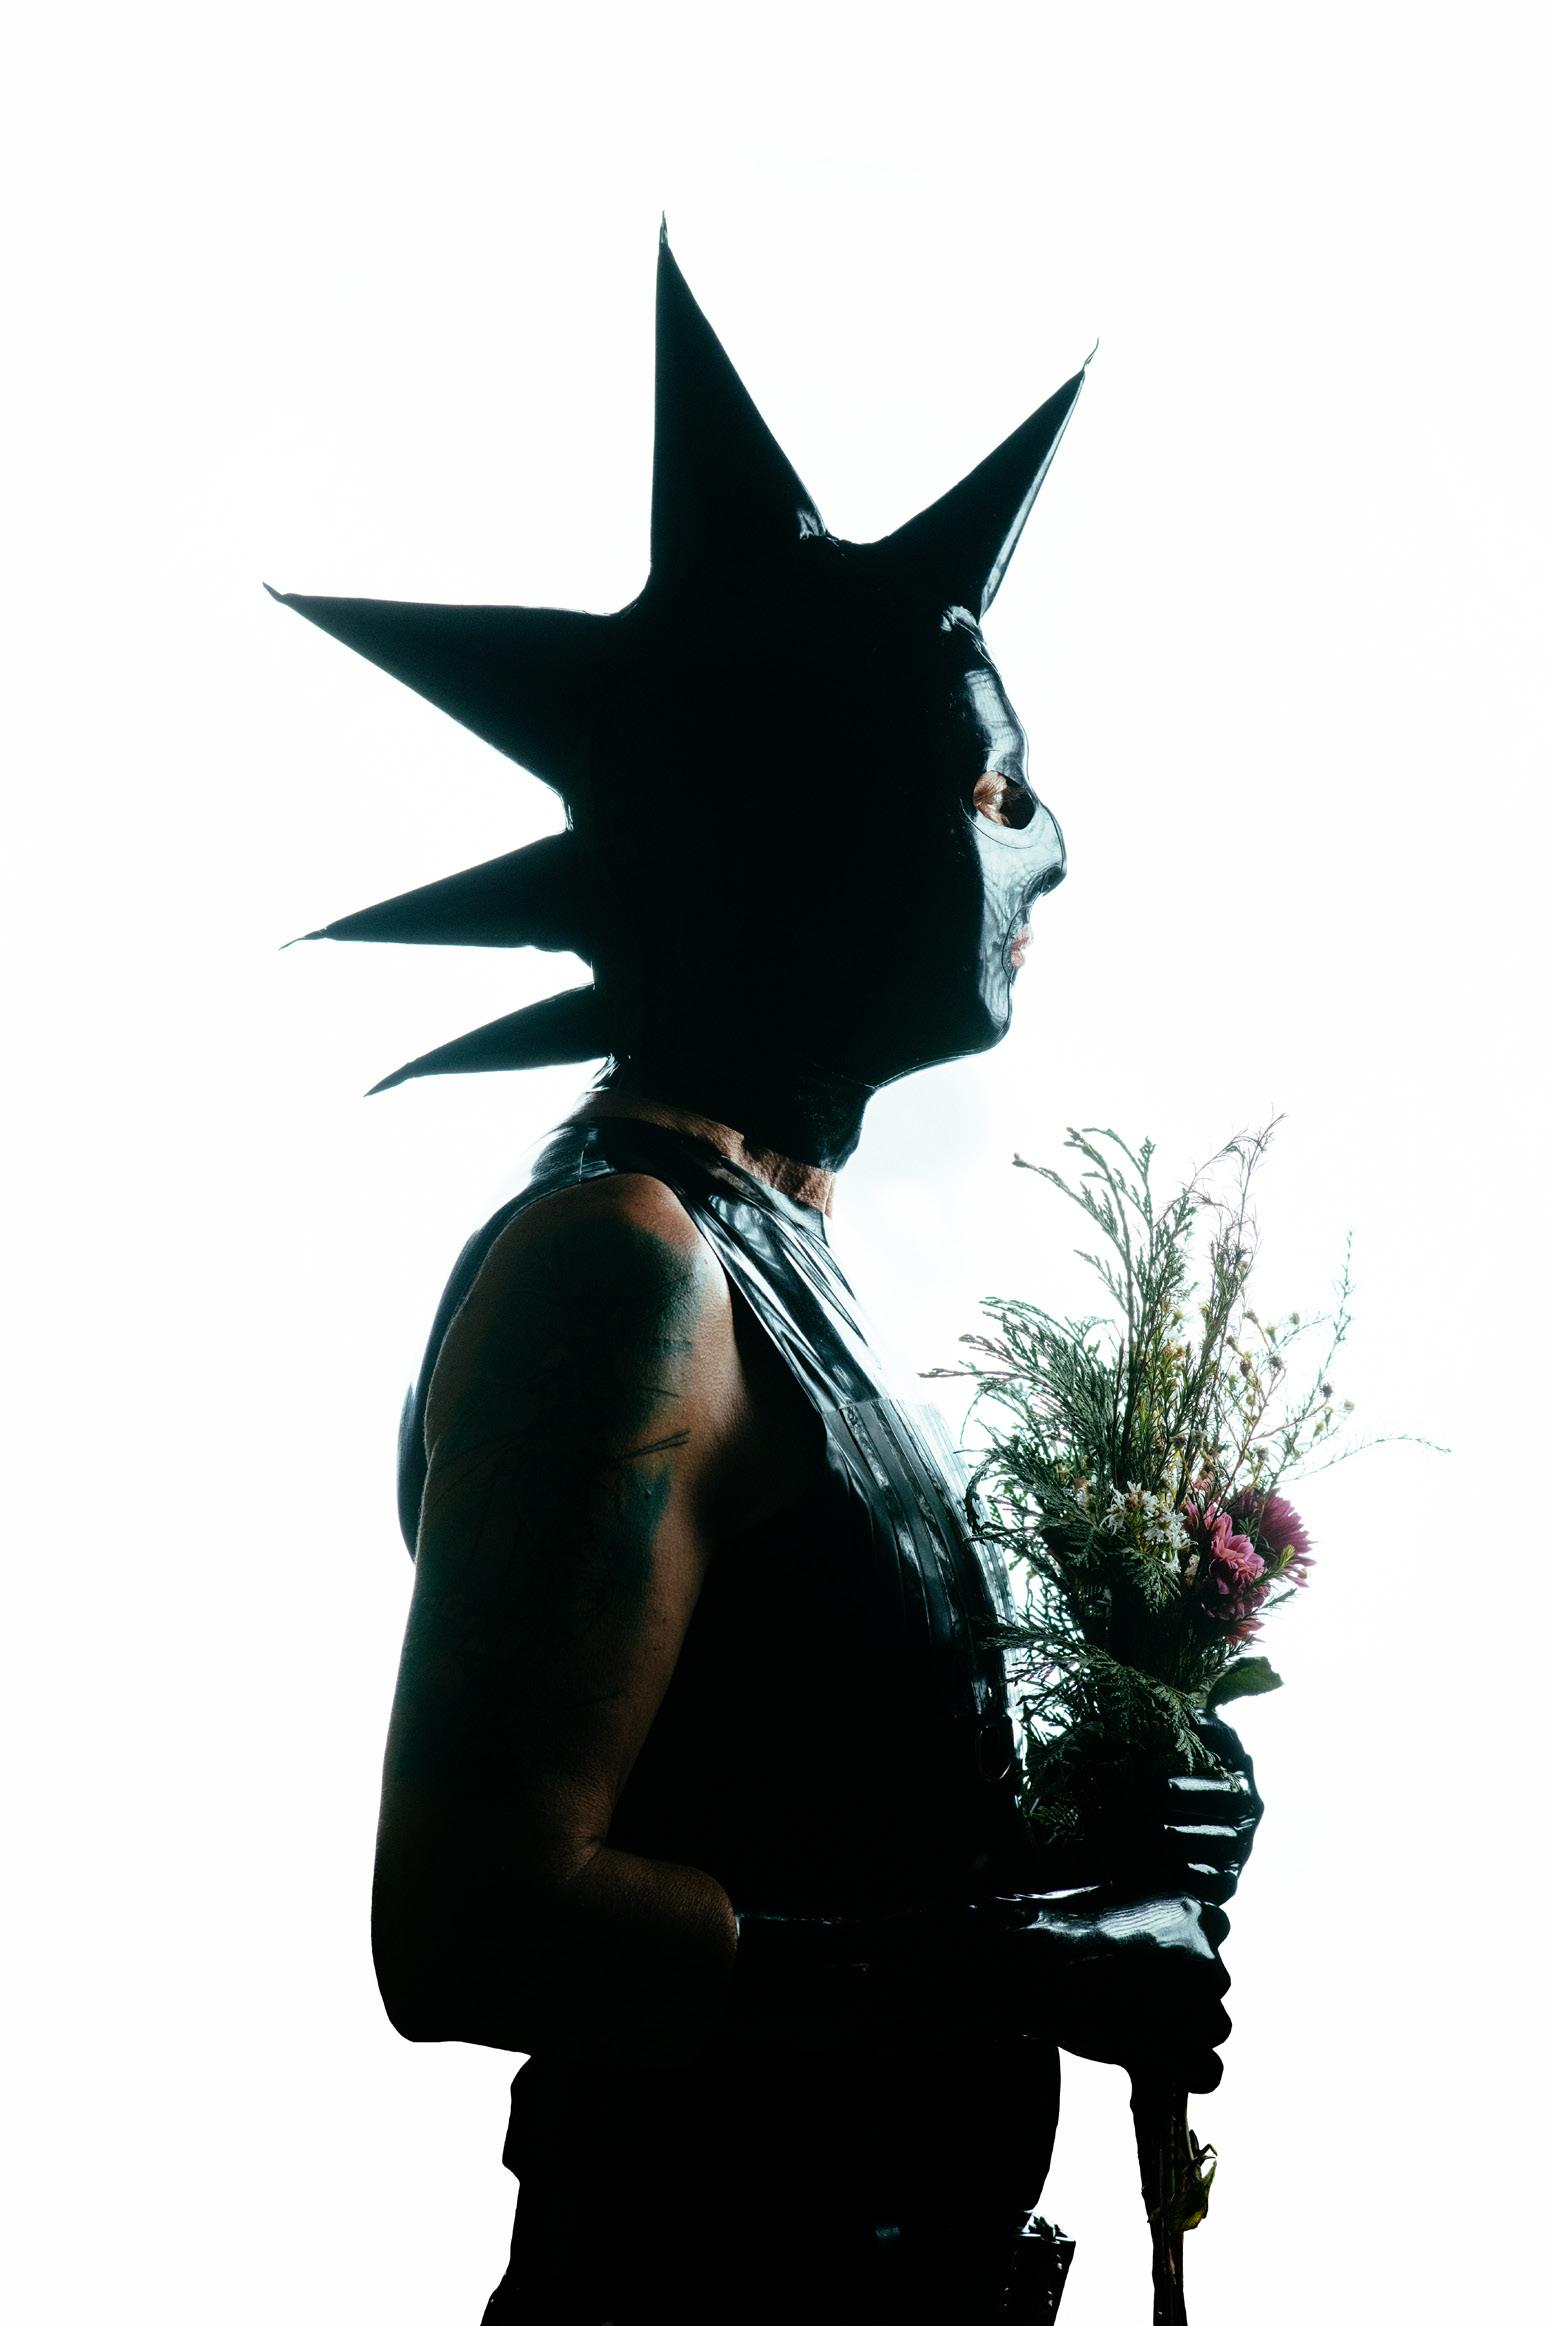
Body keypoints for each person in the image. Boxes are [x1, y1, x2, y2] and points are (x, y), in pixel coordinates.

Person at [273, 227, 1257, 2323]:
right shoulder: (622, 1274)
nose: (1048, 844)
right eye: (989, 786)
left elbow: (805, 1829)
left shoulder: (763, 1260)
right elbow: (466, 1930)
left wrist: (1109, 1839)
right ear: (813, 831)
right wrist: (1041, 1955)